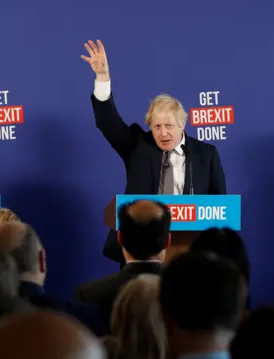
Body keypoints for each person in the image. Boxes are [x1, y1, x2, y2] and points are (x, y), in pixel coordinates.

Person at [81, 39, 227, 265]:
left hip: (191, 253)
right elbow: (107, 122)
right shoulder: (138, 145)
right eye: (157, 127)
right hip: (141, 251)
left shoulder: (205, 155)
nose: (163, 133)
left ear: (182, 125)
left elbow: (219, 207)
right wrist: (102, 78)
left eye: (169, 126)